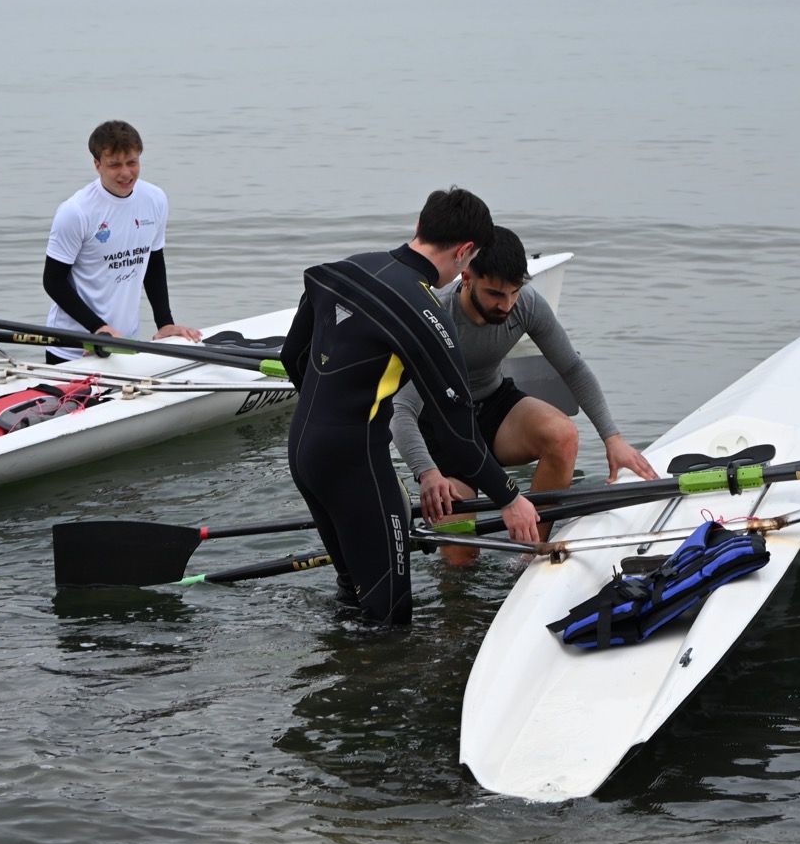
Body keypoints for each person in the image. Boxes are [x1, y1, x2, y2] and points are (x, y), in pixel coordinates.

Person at [281, 188, 541, 628]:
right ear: (465, 253)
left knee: (353, 591)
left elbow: (293, 356)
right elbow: (459, 440)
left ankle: (338, 660)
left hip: (304, 449)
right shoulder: (428, 314)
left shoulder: (342, 269)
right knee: (390, 618)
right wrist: (510, 497)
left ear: (420, 226)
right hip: (355, 464)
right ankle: (368, 669)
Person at [390, 226, 658, 563]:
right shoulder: (436, 316)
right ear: (467, 277)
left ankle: (531, 556)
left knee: (563, 436)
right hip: (443, 426)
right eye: (495, 294)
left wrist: (612, 437)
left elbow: (572, 368)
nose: (507, 305)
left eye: (514, 292)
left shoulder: (526, 304)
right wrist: (427, 473)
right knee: (461, 562)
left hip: (495, 405)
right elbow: (401, 408)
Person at [41, 120, 201, 364]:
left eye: (132, 163)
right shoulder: (75, 212)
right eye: (115, 165)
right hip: (73, 348)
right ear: (97, 164)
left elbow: (153, 264)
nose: (126, 173)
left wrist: (165, 323)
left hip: (123, 343)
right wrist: (97, 328)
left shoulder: (155, 199)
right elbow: (53, 281)